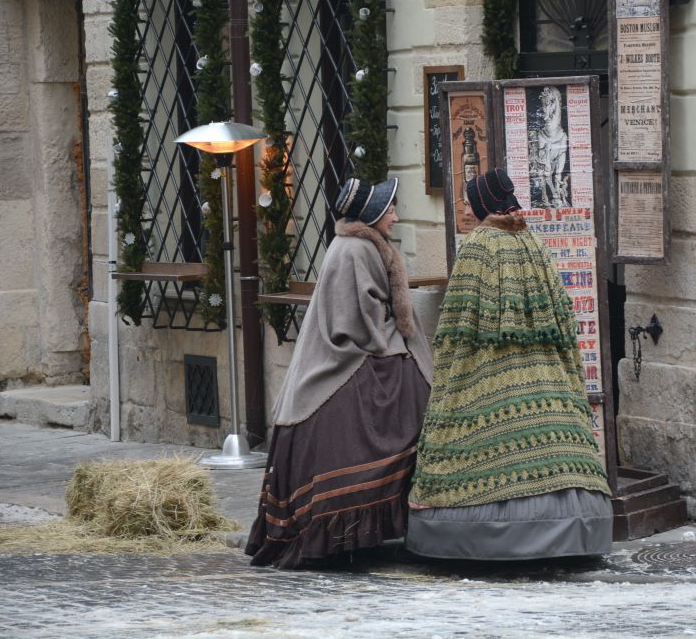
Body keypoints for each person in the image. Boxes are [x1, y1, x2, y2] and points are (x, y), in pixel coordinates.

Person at [406, 167, 613, 560]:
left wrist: (448, 376)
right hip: (546, 373)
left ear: (485, 204)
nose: (465, 208)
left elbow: (456, 324)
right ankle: (577, 525)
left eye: (469, 201)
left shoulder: (479, 246)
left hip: (487, 372)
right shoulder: (532, 242)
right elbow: (564, 317)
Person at [245, 176, 433, 568]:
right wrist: (394, 348)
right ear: (373, 215)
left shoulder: (360, 245)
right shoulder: (354, 251)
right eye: (391, 210)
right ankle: (343, 528)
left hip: (352, 351)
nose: (396, 218)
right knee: (401, 404)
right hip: (342, 358)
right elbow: (356, 322)